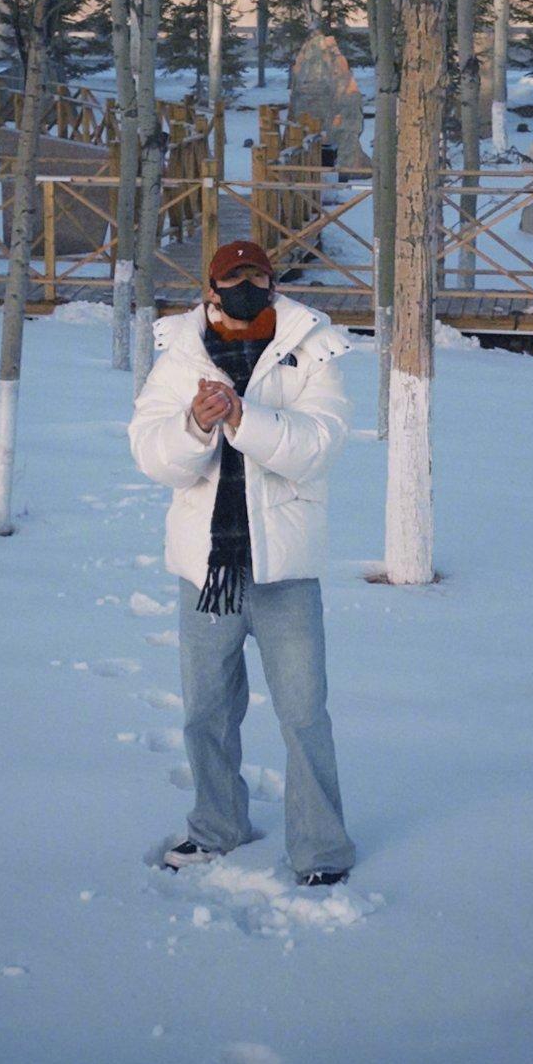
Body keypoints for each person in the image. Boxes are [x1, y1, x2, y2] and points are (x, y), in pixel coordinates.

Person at [127, 240, 357, 887]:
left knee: (304, 714)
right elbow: (152, 454)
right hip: (207, 572)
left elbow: (317, 446)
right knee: (205, 711)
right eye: (234, 279)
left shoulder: (311, 350)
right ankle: (218, 826)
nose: (247, 286)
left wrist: (243, 416)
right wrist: (196, 427)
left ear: (273, 283)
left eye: (257, 276)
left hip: (285, 571)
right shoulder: (181, 356)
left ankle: (320, 850)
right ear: (210, 290)